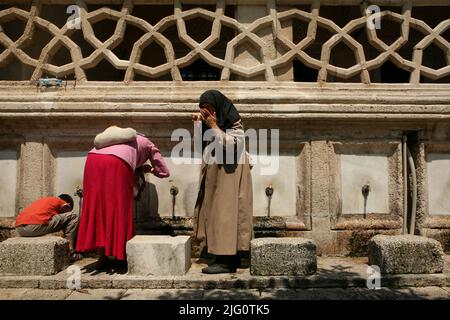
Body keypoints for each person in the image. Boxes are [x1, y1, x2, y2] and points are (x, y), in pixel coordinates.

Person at [76, 130, 170, 270]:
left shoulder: (112, 141)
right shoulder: (148, 143)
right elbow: (164, 171)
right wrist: (151, 171)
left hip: (92, 161)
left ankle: (102, 257)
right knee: (120, 208)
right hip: (118, 164)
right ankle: (120, 257)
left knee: (98, 206)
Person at [193, 90, 253, 274]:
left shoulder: (235, 123)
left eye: (210, 109)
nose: (209, 113)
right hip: (216, 175)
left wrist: (213, 125)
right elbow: (200, 146)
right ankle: (223, 256)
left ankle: (227, 261)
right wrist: (198, 125)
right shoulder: (212, 124)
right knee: (214, 212)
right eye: (204, 110)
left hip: (230, 175)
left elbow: (232, 145)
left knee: (226, 213)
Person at [15, 194, 81, 261]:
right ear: (68, 203)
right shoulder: (61, 201)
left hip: (19, 228)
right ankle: (70, 252)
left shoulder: (45, 200)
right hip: (33, 227)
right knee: (74, 216)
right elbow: (68, 214)